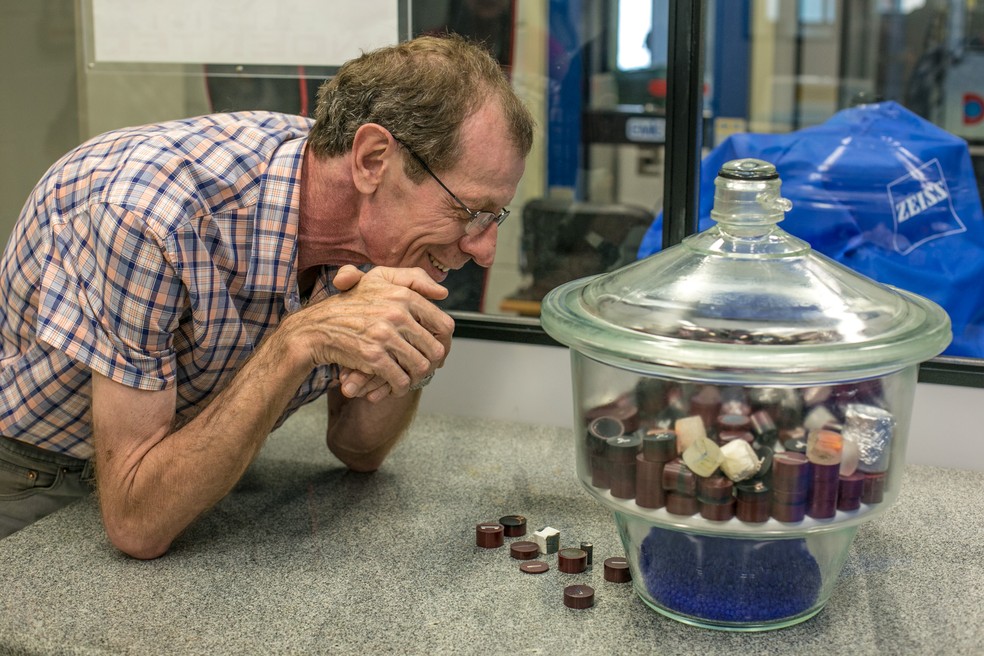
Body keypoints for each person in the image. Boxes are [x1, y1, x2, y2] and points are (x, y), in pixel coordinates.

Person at [0, 35, 535, 558]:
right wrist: (299, 340)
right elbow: (137, 523)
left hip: (187, 461)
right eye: (470, 211)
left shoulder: (385, 228)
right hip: (40, 471)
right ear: (372, 159)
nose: (485, 251)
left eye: (496, 217)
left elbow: (358, 449)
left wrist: (410, 347)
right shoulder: (151, 215)